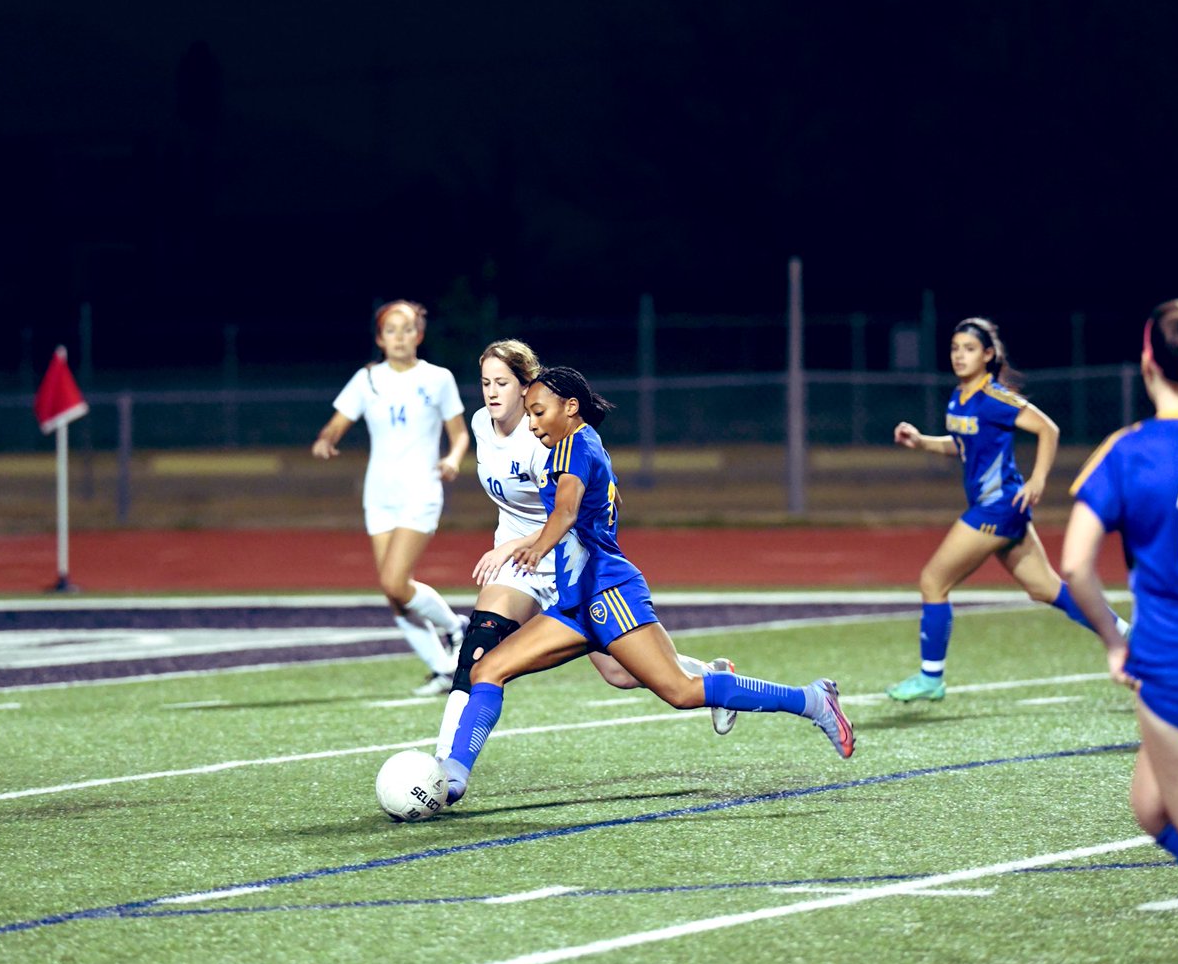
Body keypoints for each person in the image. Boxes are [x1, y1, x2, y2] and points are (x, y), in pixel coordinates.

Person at [440, 366, 854, 807]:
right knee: (490, 670)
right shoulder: (582, 444)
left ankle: (811, 700)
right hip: (576, 602)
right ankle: (452, 777)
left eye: (539, 412)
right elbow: (592, 507)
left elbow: (565, 512)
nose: (533, 422)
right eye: (529, 414)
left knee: (682, 691)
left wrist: (537, 547)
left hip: (608, 593)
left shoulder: (571, 449)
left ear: (570, 407)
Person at [433, 342, 738, 759]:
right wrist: (512, 546)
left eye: (502, 383)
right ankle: (445, 762)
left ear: (527, 387)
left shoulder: (546, 437)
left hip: (565, 563)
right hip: (519, 565)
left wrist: (523, 543)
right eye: (485, 382)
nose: (492, 392)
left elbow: (577, 510)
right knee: (479, 649)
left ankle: (712, 676)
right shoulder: (481, 425)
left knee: (620, 673)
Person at [886, 316, 1129, 702]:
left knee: (933, 581)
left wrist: (1038, 479)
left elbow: (1048, 429)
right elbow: (961, 444)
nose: (959, 356)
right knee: (1045, 588)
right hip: (1003, 508)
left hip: (996, 508)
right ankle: (1128, 635)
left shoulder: (996, 398)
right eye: (955, 348)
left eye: (969, 349)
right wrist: (920, 441)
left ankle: (931, 678)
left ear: (987, 355)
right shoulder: (959, 396)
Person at [1061, 300, 1178, 869]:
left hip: (1172, 661)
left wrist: (1115, 642)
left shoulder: (1128, 450)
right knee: (1150, 806)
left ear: (1147, 363)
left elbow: (1074, 566)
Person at [312, 299, 470, 696]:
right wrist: (327, 440)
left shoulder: (438, 378)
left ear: (419, 335)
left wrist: (452, 459)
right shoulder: (367, 380)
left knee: (395, 582)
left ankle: (456, 627)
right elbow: (336, 424)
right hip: (379, 494)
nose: (399, 337)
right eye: (391, 330)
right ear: (380, 339)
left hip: (421, 490)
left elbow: (459, 434)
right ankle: (443, 670)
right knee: (394, 594)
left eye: (407, 329)